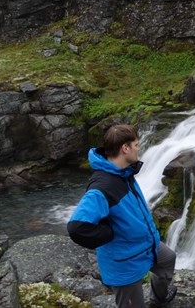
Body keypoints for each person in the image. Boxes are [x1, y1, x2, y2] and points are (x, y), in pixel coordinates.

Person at [68, 124, 177, 308]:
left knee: (168, 259)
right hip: (124, 262)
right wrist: (109, 234)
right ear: (125, 148)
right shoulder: (101, 187)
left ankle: (158, 300)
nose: (139, 148)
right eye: (136, 145)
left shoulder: (124, 172)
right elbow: (77, 227)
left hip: (145, 245)